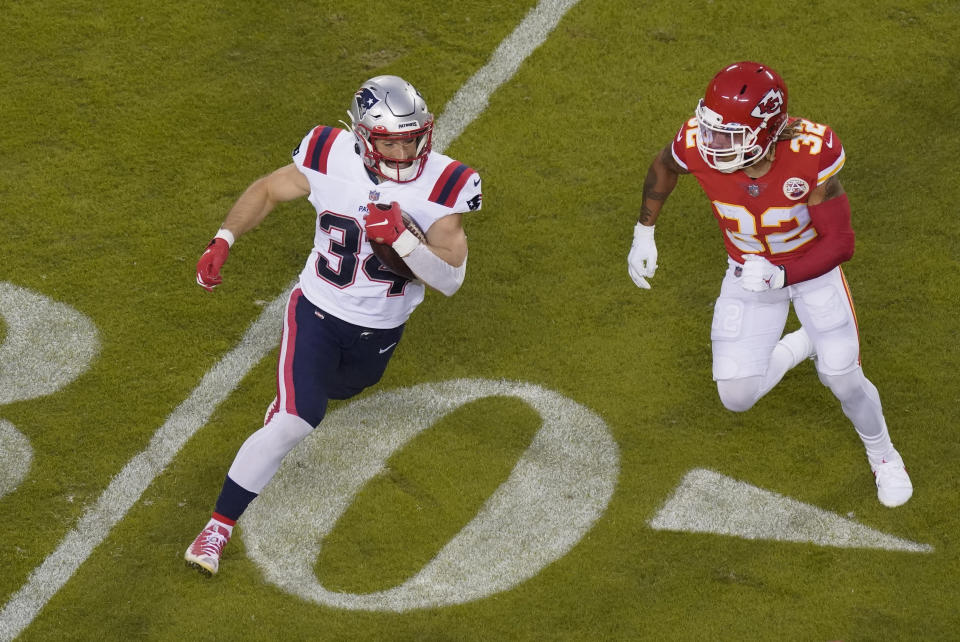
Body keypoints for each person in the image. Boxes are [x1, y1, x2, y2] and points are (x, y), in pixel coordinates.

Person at [186, 75, 482, 575]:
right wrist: (224, 238)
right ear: (364, 136)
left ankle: (294, 397)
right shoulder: (328, 152)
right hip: (317, 312)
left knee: (343, 389)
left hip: (381, 332)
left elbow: (450, 280)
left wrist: (405, 242)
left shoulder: (445, 182)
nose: (405, 149)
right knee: (295, 422)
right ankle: (216, 528)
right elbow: (267, 189)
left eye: (412, 137)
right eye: (391, 140)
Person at [627, 61, 912, 508]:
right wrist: (645, 230)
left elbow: (840, 242)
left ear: (764, 131)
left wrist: (783, 274)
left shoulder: (809, 151)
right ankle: (804, 344)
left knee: (843, 377)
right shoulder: (699, 143)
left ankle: (885, 456)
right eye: (710, 128)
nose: (712, 142)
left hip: (811, 271)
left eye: (728, 134)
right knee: (736, 396)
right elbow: (665, 164)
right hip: (747, 274)